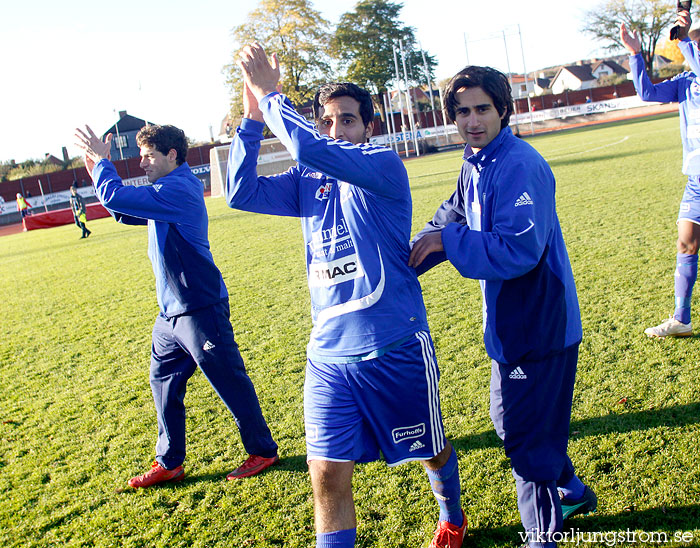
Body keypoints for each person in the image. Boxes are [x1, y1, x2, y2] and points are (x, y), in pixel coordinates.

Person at [226, 43, 465, 548]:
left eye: (348, 121)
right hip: (328, 357)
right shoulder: (307, 181)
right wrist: (252, 119)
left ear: (368, 128)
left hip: (394, 345)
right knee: (327, 473)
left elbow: (311, 148)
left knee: (430, 449)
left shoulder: (381, 165)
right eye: (328, 122)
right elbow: (239, 192)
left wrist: (271, 93)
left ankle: (452, 515)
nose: (337, 130)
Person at [408, 65, 596, 547]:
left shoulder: (518, 164)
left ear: (503, 110)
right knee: (509, 421)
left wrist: (447, 242)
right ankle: (572, 490)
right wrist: (411, 254)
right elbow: (451, 213)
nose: (472, 121)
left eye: (482, 109)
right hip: (508, 326)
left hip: (540, 323)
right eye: (463, 111)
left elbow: (518, 249)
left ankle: (543, 536)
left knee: (526, 441)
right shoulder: (476, 161)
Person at [74, 123, 279, 488]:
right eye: (140, 156)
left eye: (149, 156)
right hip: (169, 314)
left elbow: (115, 196)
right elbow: (121, 210)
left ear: (172, 155)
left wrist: (104, 162)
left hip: (200, 308)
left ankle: (263, 450)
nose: (142, 163)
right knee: (163, 385)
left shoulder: (180, 188)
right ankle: (169, 462)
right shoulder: (163, 191)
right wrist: (95, 166)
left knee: (229, 381)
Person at [621, 10, 700, 338]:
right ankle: (681, 318)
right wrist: (635, 54)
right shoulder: (686, 84)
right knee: (686, 243)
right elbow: (647, 93)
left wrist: (683, 37)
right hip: (697, 181)